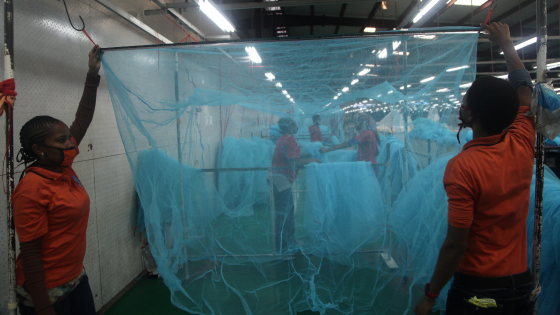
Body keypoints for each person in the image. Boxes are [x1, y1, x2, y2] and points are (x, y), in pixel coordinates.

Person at [414, 23, 535, 315]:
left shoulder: (463, 167)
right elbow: (525, 90)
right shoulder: (522, 140)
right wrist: (507, 43)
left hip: (478, 291)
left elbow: (456, 245)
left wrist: (431, 295)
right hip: (519, 284)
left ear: (467, 116)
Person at [13, 45, 101, 315]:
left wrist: (92, 73)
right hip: (47, 292)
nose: (70, 143)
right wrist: (43, 306)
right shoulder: (32, 188)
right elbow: (29, 253)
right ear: (39, 149)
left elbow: (82, 118)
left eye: (68, 137)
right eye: (61, 140)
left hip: (75, 278)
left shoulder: (62, 167)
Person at [271, 117, 320, 254]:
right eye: (294, 124)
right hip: (280, 180)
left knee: (288, 212)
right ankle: (282, 248)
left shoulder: (285, 138)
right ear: (290, 126)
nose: (296, 126)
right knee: (284, 214)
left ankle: (290, 240)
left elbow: (294, 157)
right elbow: (294, 162)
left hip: (279, 179)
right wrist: (313, 160)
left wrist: (309, 154)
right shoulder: (289, 139)